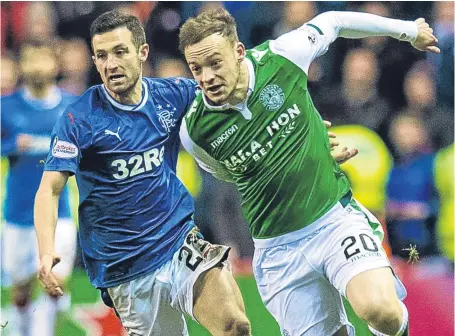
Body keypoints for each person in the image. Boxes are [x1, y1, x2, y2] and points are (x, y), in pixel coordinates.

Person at [178, 8, 439, 336]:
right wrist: (305, 148)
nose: (207, 77)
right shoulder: (196, 131)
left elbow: (335, 21)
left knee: (380, 310)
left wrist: (408, 30)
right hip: (279, 251)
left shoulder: (282, 56)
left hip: (333, 220)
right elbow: (226, 172)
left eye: (215, 63)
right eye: (196, 68)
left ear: (239, 51)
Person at [33, 11, 251, 336]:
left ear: (142, 52)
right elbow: (50, 189)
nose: (110, 64)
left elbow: (235, 91)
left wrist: (308, 129)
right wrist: (47, 250)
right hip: (126, 268)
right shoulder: (79, 118)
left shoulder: (172, 95)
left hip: (177, 241)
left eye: (120, 52)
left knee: (235, 324)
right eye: (102, 56)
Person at [1, 39, 78, 336]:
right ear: (21, 66)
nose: (37, 66)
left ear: (55, 64)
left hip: (60, 214)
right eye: (31, 60)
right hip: (18, 216)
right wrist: (11, 146)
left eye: (43, 59)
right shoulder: (6, 107)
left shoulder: (72, 106)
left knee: (55, 285)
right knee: (20, 292)